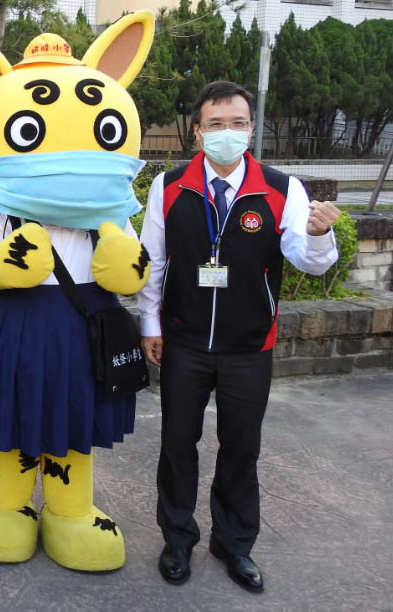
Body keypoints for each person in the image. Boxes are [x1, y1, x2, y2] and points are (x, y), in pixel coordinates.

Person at [138, 81, 340, 593]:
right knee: (177, 444)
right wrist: (149, 325)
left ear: (251, 129)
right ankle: (177, 540)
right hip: (183, 341)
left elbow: (310, 263)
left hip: (250, 345)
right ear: (198, 131)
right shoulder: (169, 186)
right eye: (215, 124)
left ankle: (233, 545)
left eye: (237, 123)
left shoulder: (281, 188)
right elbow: (153, 261)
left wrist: (320, 234)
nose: (226, 132)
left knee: (241, 449)